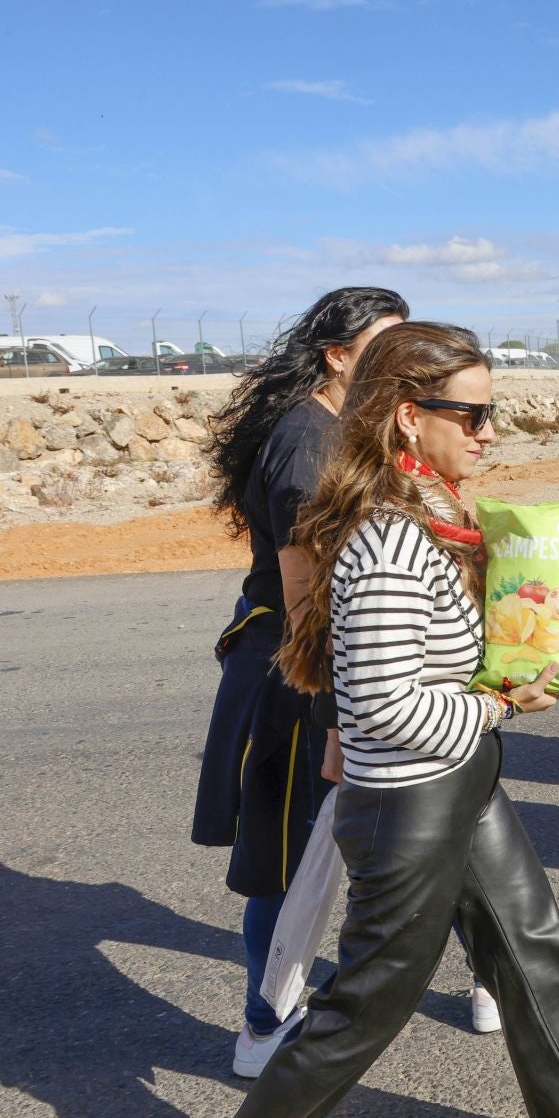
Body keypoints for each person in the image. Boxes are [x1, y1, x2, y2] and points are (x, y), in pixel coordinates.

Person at [172, 323, 559, 1118]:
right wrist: (500, 703)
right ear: (408, 419)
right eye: (472, 415)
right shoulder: (389, 538)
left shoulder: (437, 512)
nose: (489, 432)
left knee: (532, 951)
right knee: (364, 1005)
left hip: (459, 782)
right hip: (410, 799)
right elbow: (385, 703)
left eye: (492, 413)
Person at [193, 287, 410, 1076]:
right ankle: (263, 1024)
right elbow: (305, 605)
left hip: (337, 665)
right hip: (302, 673)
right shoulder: (306, 446)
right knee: (290, 866)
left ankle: (493, 975)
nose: (399, 358)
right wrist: (339, 719)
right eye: (383, 344)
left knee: (421, 834)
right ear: (339, 355)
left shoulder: (350, 430)